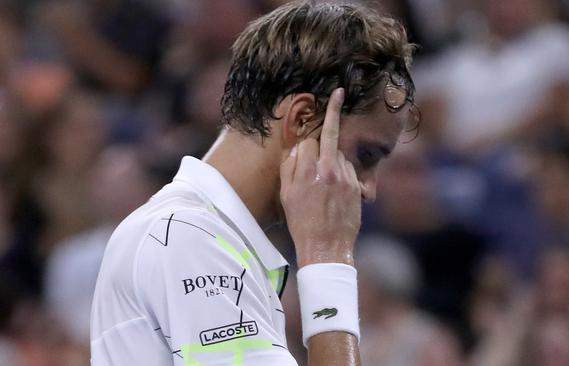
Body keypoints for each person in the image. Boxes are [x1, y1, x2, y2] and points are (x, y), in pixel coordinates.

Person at [90, 1, 416, 365]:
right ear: (302, 118)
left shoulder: (202, 236)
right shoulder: (187, 237)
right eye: (366, 156)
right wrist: (327, 256)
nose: (368, 189)